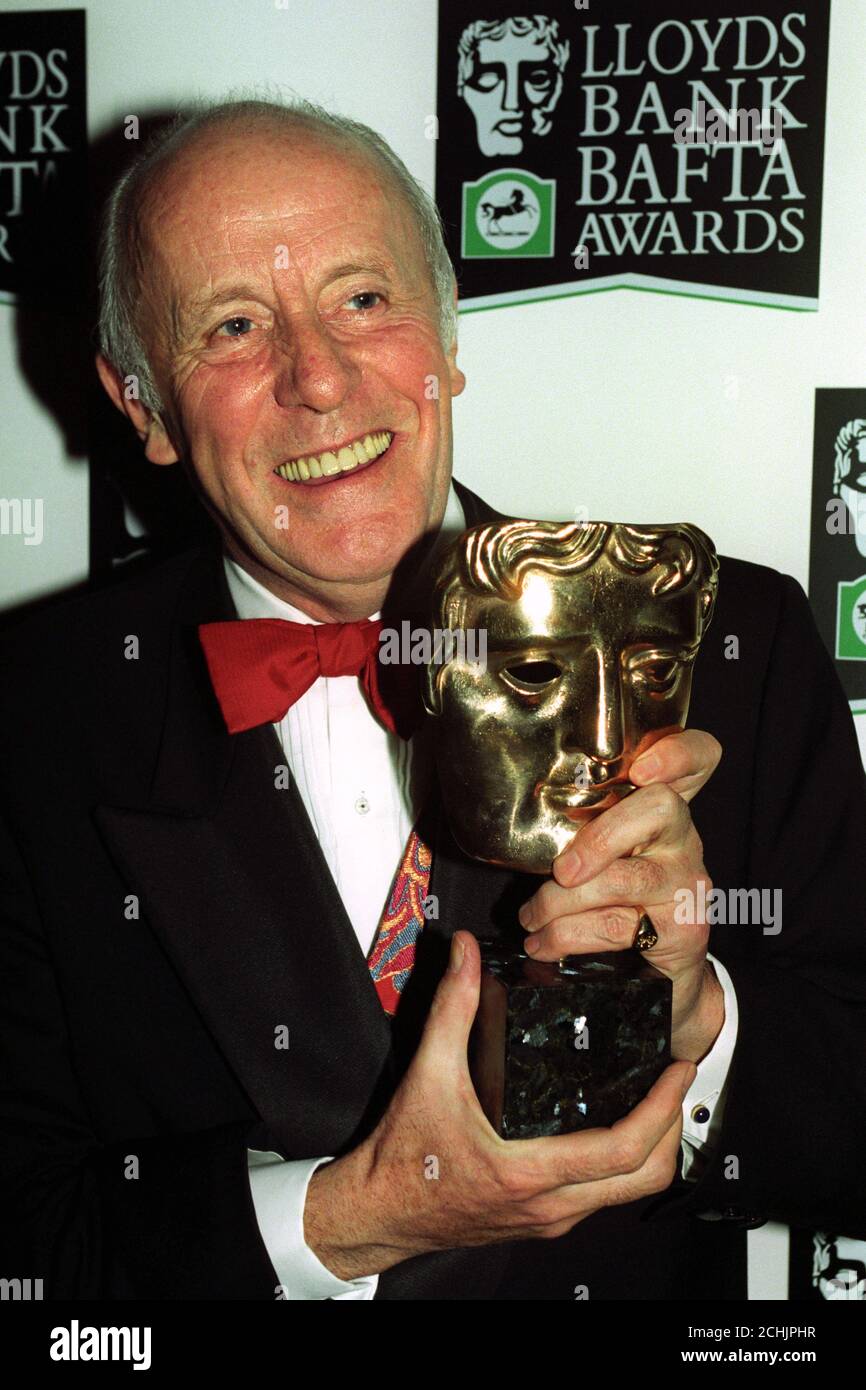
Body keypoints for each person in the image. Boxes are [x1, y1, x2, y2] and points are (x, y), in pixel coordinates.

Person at [1, 97, 864, 1302]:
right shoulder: (29, 721)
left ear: (446, 333)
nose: (318, 377)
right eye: (235, 326)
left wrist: (694, 1015)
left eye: (363, 298)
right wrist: (339, 1222)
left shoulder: (726, 641)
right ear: (140, 404)